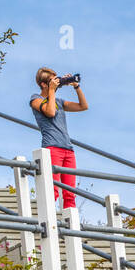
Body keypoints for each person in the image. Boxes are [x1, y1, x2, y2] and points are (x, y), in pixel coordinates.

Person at [30, 67, 88, 210]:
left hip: (68, 149)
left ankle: (71, 229)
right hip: (52, 148)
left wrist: (76, 86)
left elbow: (83, 106)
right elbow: (50, 112)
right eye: (52, 81)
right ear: (44, 84)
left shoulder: (60, 102)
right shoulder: (35, 99)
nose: (56, 83)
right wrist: (51, 91)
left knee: (70, 193)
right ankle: (48, 222)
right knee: (53, 191)